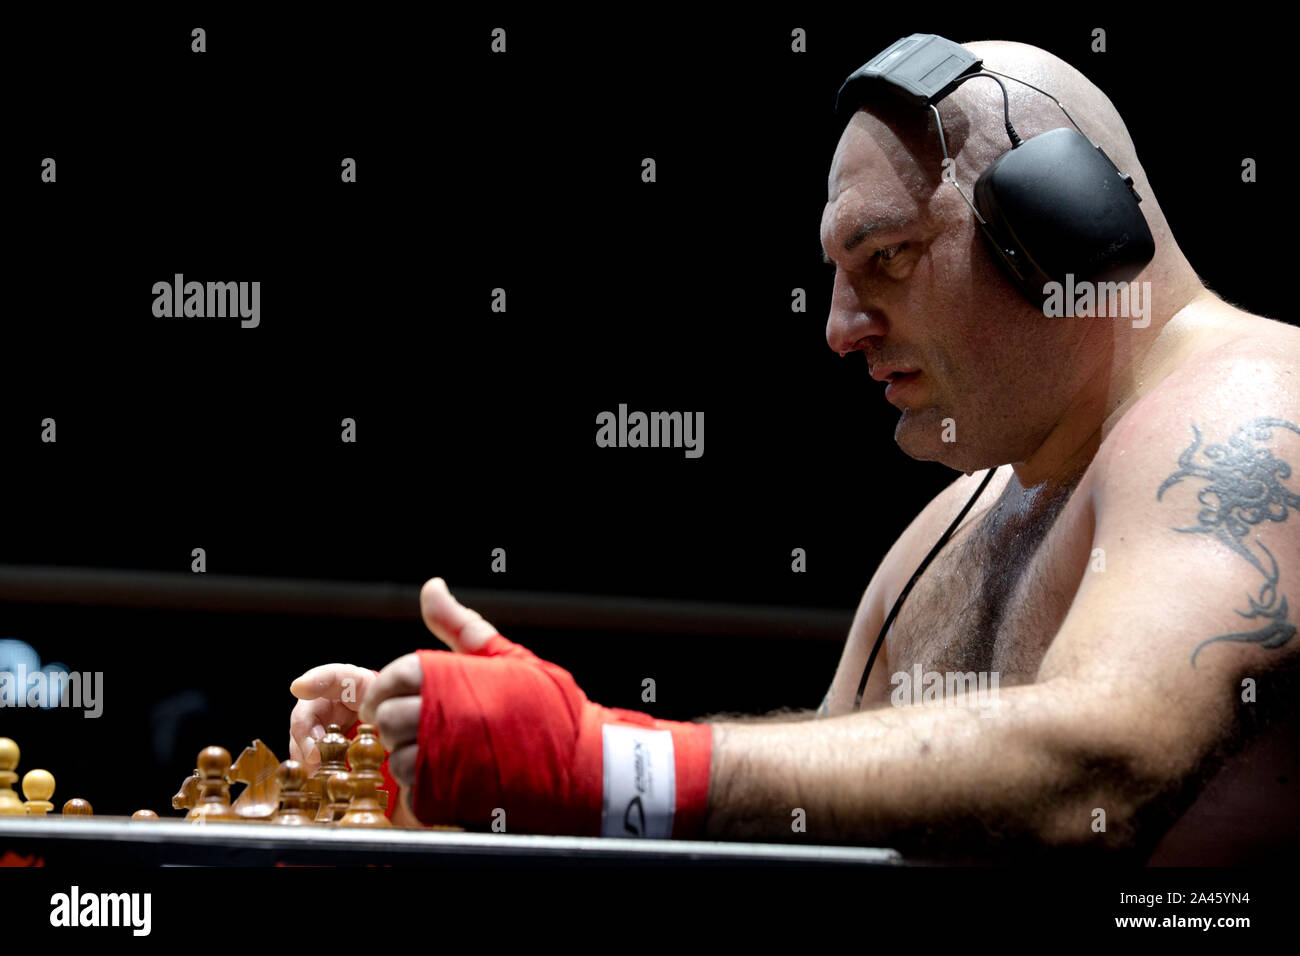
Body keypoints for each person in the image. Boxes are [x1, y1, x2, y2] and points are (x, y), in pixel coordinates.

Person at [289, 40, 1300, 861]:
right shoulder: (957, 526)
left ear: (1066, 233)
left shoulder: (1254, 412)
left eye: (888, 257)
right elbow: (814, 826)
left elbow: (1102, 766)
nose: (840, 326)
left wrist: (603, 764)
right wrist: (505, 789)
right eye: (837, 271)